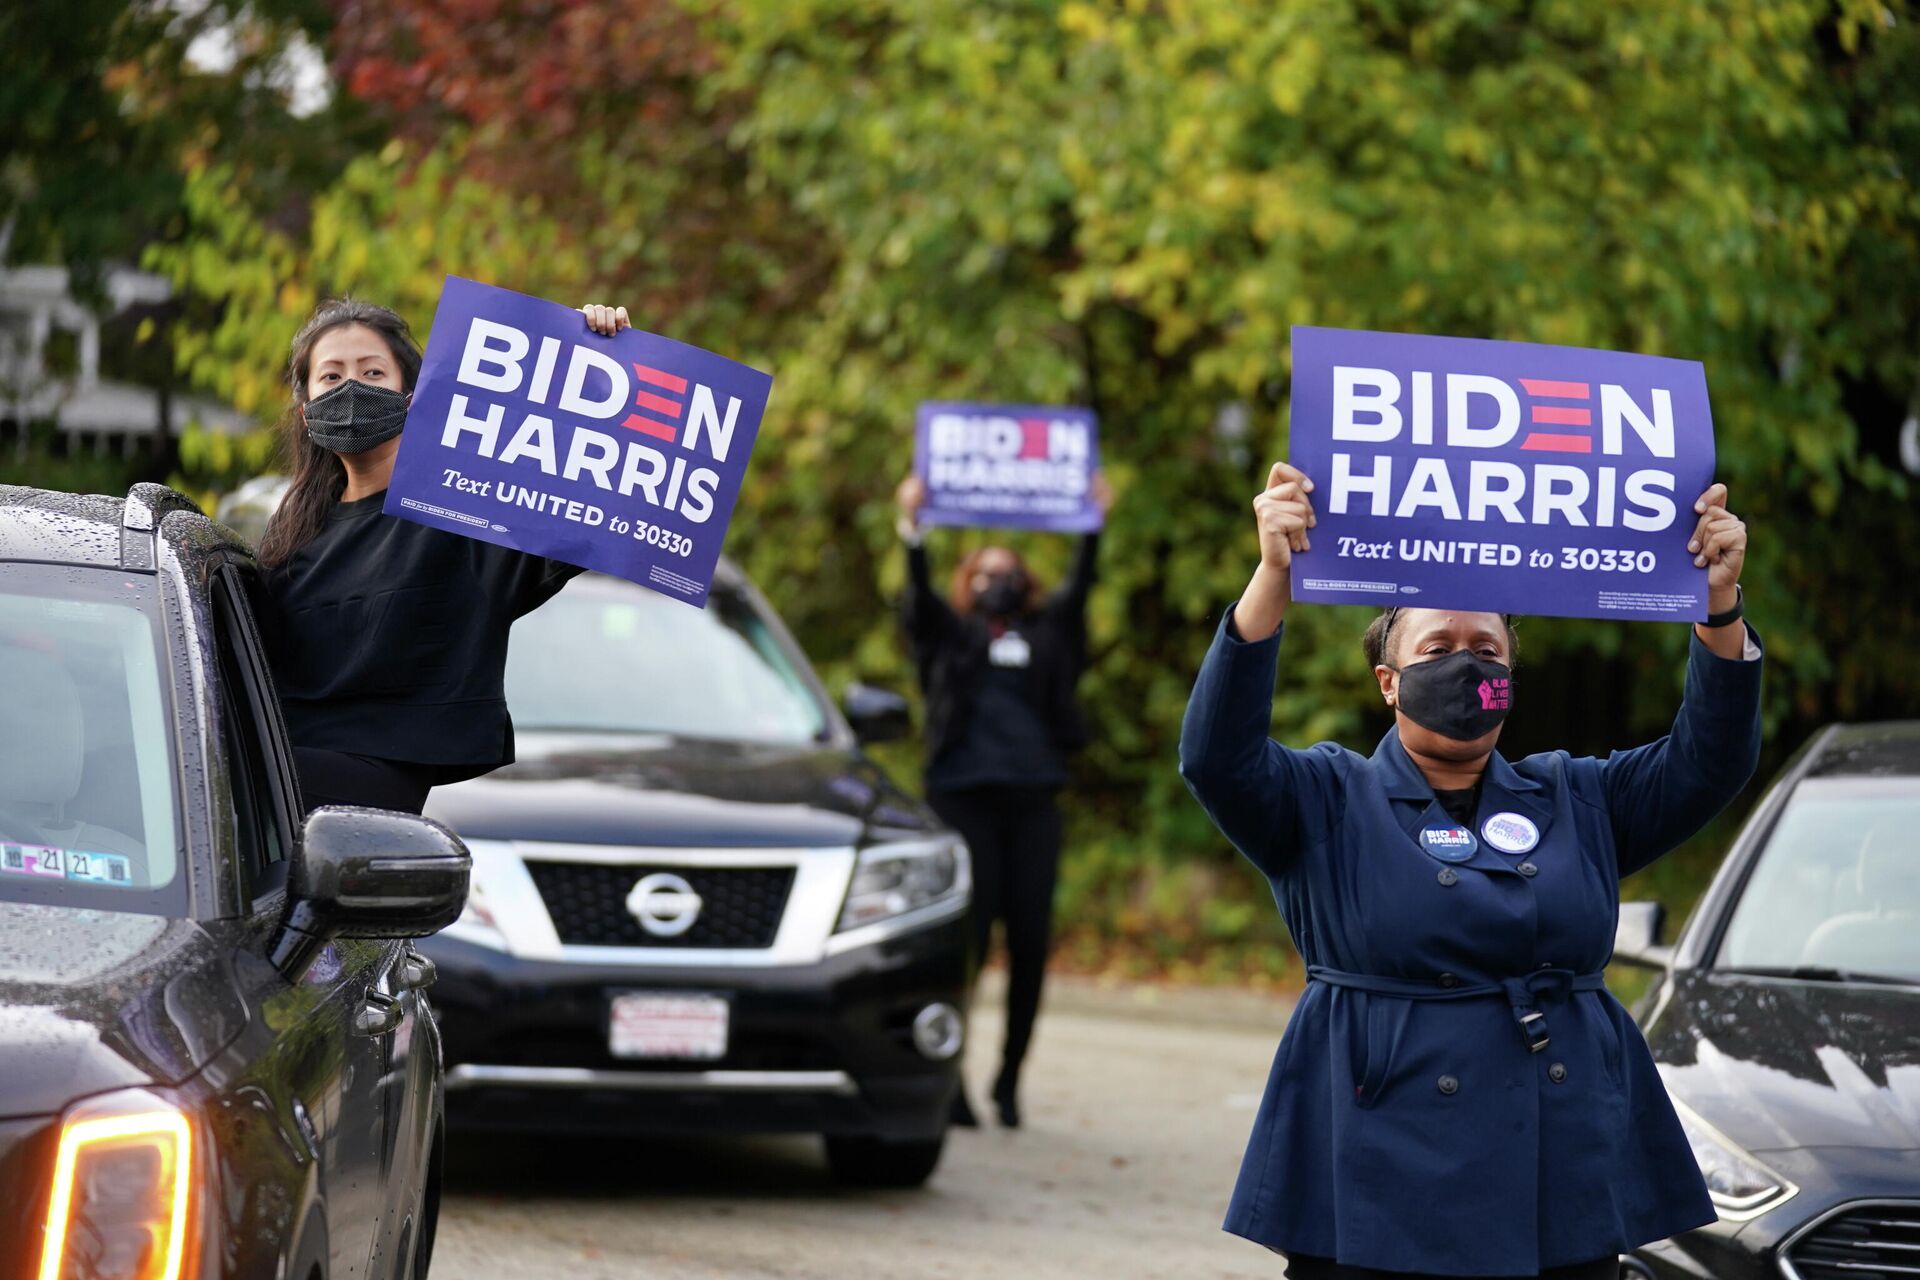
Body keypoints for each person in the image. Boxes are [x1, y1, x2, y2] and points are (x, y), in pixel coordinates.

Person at [1179, 461, 1761, 1278]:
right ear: (1389, 680)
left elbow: (1711, 763)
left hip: (1557, 1173)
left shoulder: (1578, 795)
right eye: (1438, 647)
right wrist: (1274, 574)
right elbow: (1215, 757)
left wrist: (1718, 606)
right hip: (1378, 1174)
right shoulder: (1326, 799)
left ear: (1510, 681)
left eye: (1485, 649)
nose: (1465, 666)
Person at [250, 297, 633, 814]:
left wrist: (603, 365)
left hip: (367, 786)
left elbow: (589, 511)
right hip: (278, 782)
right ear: (306, 410)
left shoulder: (463, 516)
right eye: (332, 378)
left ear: (410, 396)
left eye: (372, 372)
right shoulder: (291, 535)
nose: (352, 390)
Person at [894, 471, 1111, 1128]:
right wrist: (913, 528)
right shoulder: (952, 636)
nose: (997, 579)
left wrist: (1091, 525)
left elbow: (1080, 593)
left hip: (1031, 809)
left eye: (1008, 569)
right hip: (963, 805)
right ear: (968, 583)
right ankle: (951, 1077)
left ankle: (1010, 1077)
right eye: (984, 570)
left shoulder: (1048, 635)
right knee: (965, 946)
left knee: (1031, 942)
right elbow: (917, 601)